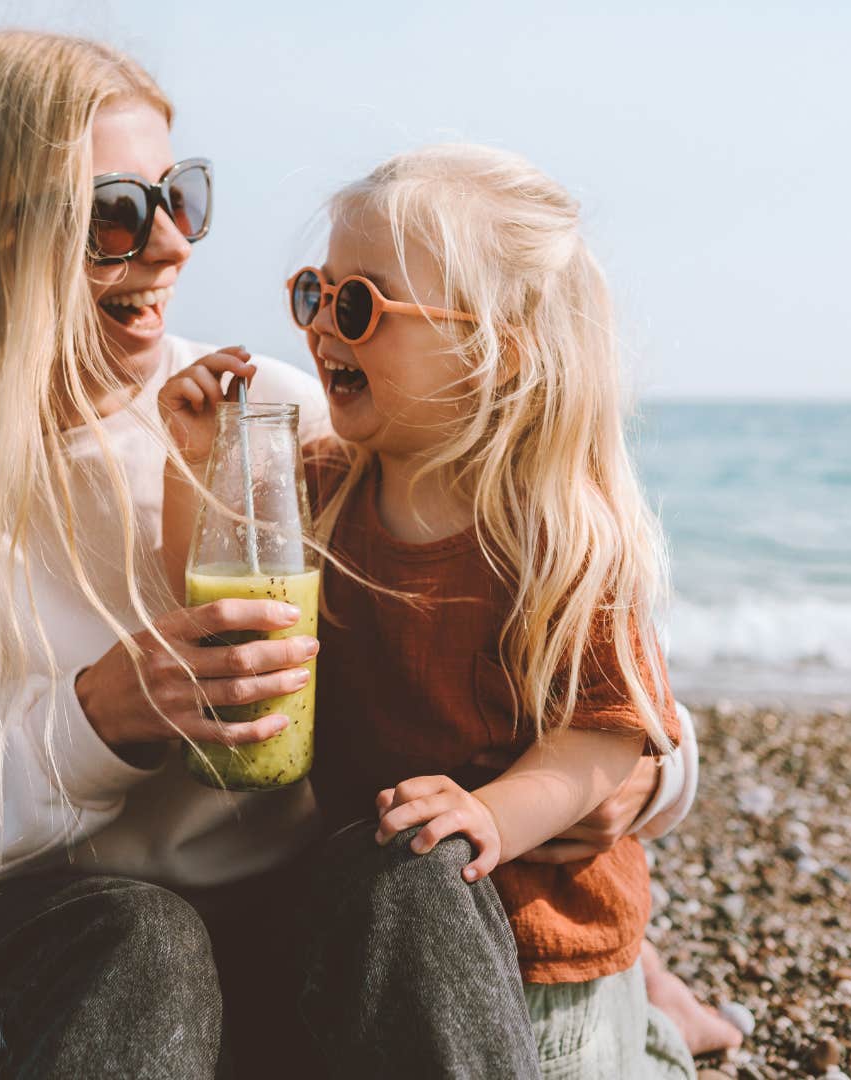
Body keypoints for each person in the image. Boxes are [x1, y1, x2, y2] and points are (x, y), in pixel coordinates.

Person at [0, 31, 691, 1077]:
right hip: (14, 952)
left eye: (182, 199)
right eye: (116, 215)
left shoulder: (270, 414)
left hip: (265, 930)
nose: (172, 247)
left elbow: (575, 649)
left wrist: (628, 788)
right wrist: (99, 717)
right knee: (138, 939)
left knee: (414, 872)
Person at [160, 143, 702, 1077]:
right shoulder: (323, 489)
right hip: (372, 917)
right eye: (313, 295)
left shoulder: (563, 535)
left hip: (543, 943)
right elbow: (226, 606)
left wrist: (491, 814)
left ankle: (658, 1037)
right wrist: (202, 464)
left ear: (496, 351)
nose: (325, 328)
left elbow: (603, 735)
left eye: (361, 306)